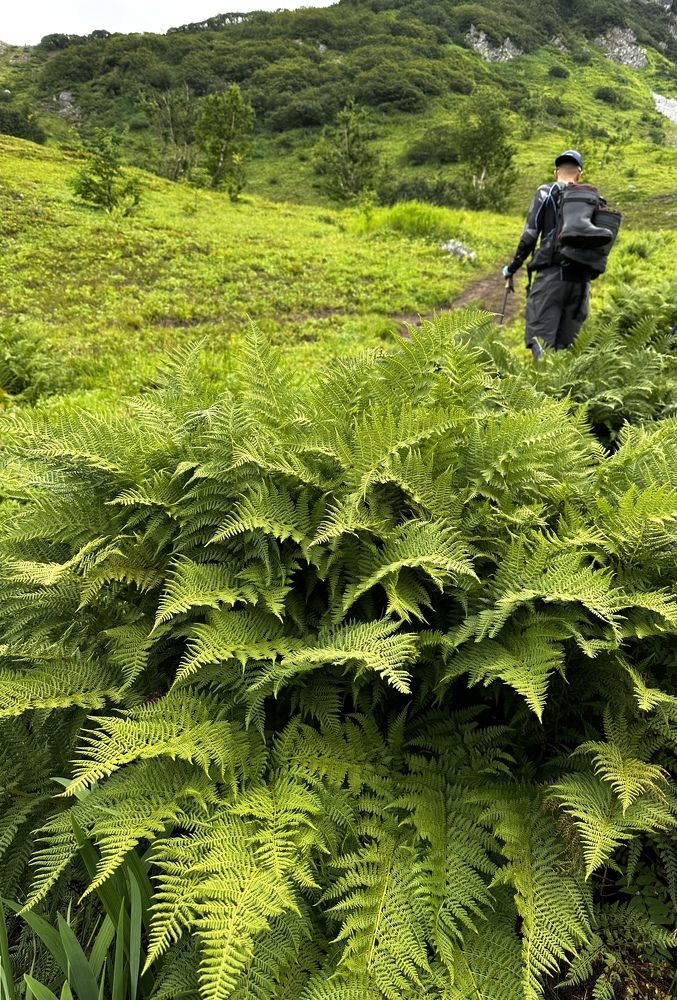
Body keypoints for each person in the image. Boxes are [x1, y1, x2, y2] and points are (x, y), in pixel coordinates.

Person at [502, 150, 598, 360]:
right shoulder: (591, 198)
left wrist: (511, 268)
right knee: (568, 352)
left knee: (541, 344)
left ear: (556, 173)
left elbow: (529, 236)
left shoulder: (545, 192)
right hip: (581, 283)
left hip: (551, 278)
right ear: (579, 174)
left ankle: (543, 382)